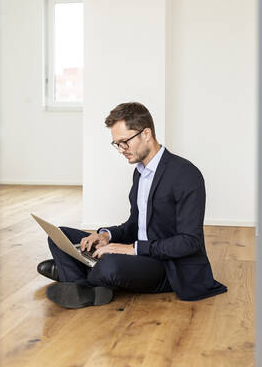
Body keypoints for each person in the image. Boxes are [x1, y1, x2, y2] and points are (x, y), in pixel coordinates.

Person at [37, 102, 228, 308]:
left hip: (167, 266)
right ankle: (88, 285)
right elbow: (136, 224)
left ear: (146, 134)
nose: (121, 150)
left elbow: (189, 242)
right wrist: (105, 236)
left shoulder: (186, 174)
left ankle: (74, 276)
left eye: (124, 142)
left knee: (110, 264)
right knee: (59, 235)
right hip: (140, 254)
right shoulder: (140, 172)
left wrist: (131, 249)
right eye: (117, 144)